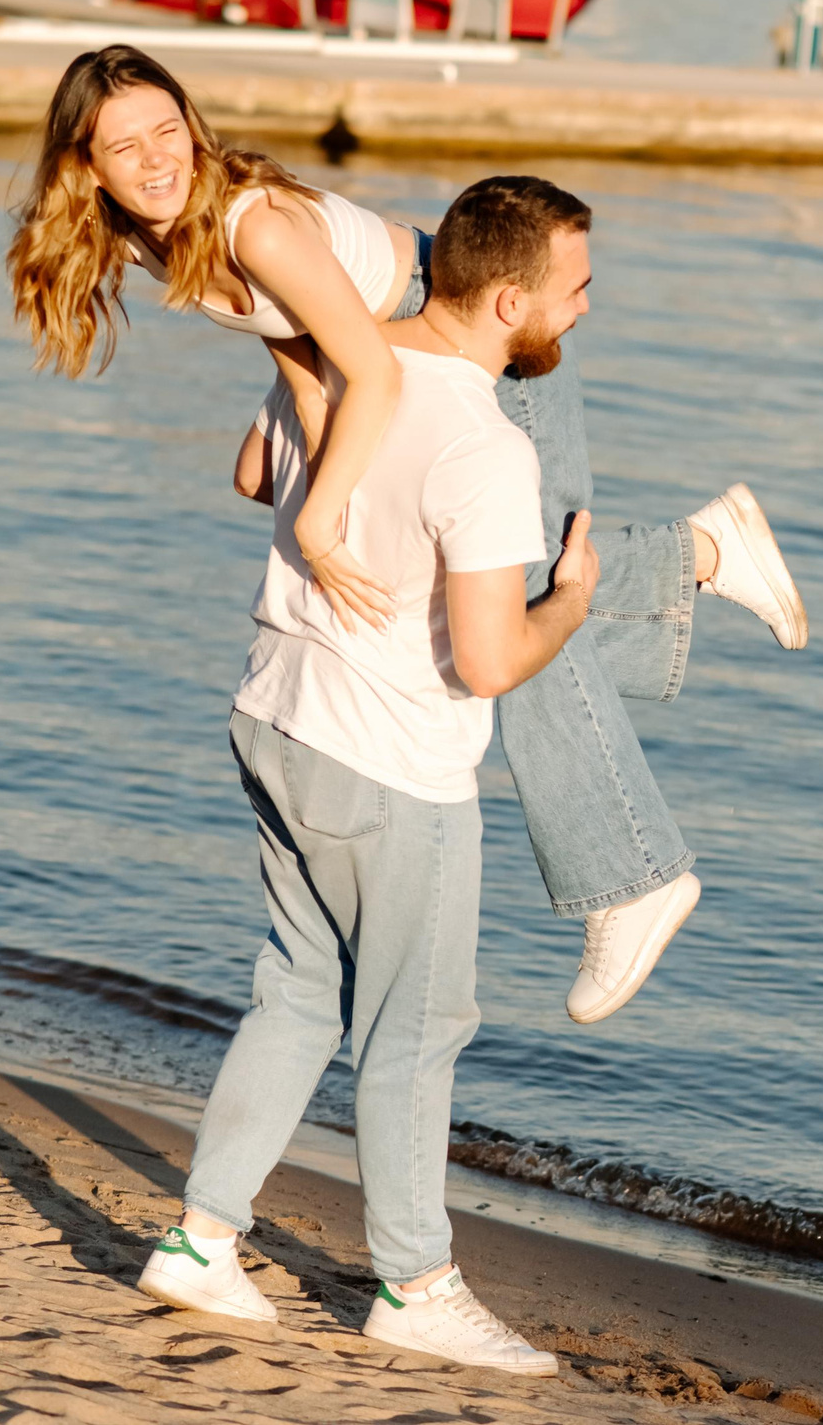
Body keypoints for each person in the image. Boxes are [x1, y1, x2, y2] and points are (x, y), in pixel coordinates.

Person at [8, 46, 809, 1022]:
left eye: (166, 129)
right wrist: (325, 486)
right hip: (394, 350)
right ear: (87, 166)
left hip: (473, 340)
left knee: (506, 622)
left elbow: (370, 371)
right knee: (517, 609)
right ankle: (704, 553)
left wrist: (320, 508)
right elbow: (300, 348)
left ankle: (633, 876)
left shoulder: (247, 222)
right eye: (124, 146)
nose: (155, 158)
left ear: (191, 120)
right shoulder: (152, 235)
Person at [135, 176, 600, 1370]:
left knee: (297, 988)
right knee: (418, 1025)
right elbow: (492, 658)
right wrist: (570, 601)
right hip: (389, 763)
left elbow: (253, 474)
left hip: (275, 715)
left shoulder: (343, 356)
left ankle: (200, 1240)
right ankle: (413, 1281)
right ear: (508, 300)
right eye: (575, 290)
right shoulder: (487, 448)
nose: (585, 312)